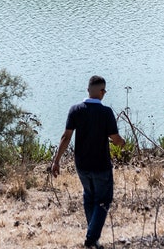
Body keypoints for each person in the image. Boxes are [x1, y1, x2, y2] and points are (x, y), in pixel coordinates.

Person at [51, 75, 127, 248]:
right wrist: (122, 143)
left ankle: (93, 239)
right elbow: (115, 139)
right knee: (103, 200)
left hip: (82, 165)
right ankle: (91, 238)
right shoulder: (106, 112)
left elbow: (66, 137)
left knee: (89, 196)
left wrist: (56, 161)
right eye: (104, 91)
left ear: (87, 90)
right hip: (101, 165)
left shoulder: (75, 110)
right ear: (102, 92)